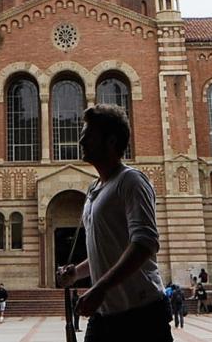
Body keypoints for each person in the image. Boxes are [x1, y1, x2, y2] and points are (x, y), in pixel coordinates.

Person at [53, 104, 170, 341]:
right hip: (104, 316)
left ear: (111, 141)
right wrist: (76, 272)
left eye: (89, 135)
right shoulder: (94, 189)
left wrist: (100, 287)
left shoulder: (131, 181)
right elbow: (104, 251)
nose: (81, 140)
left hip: (142, 316)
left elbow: (144, 243)